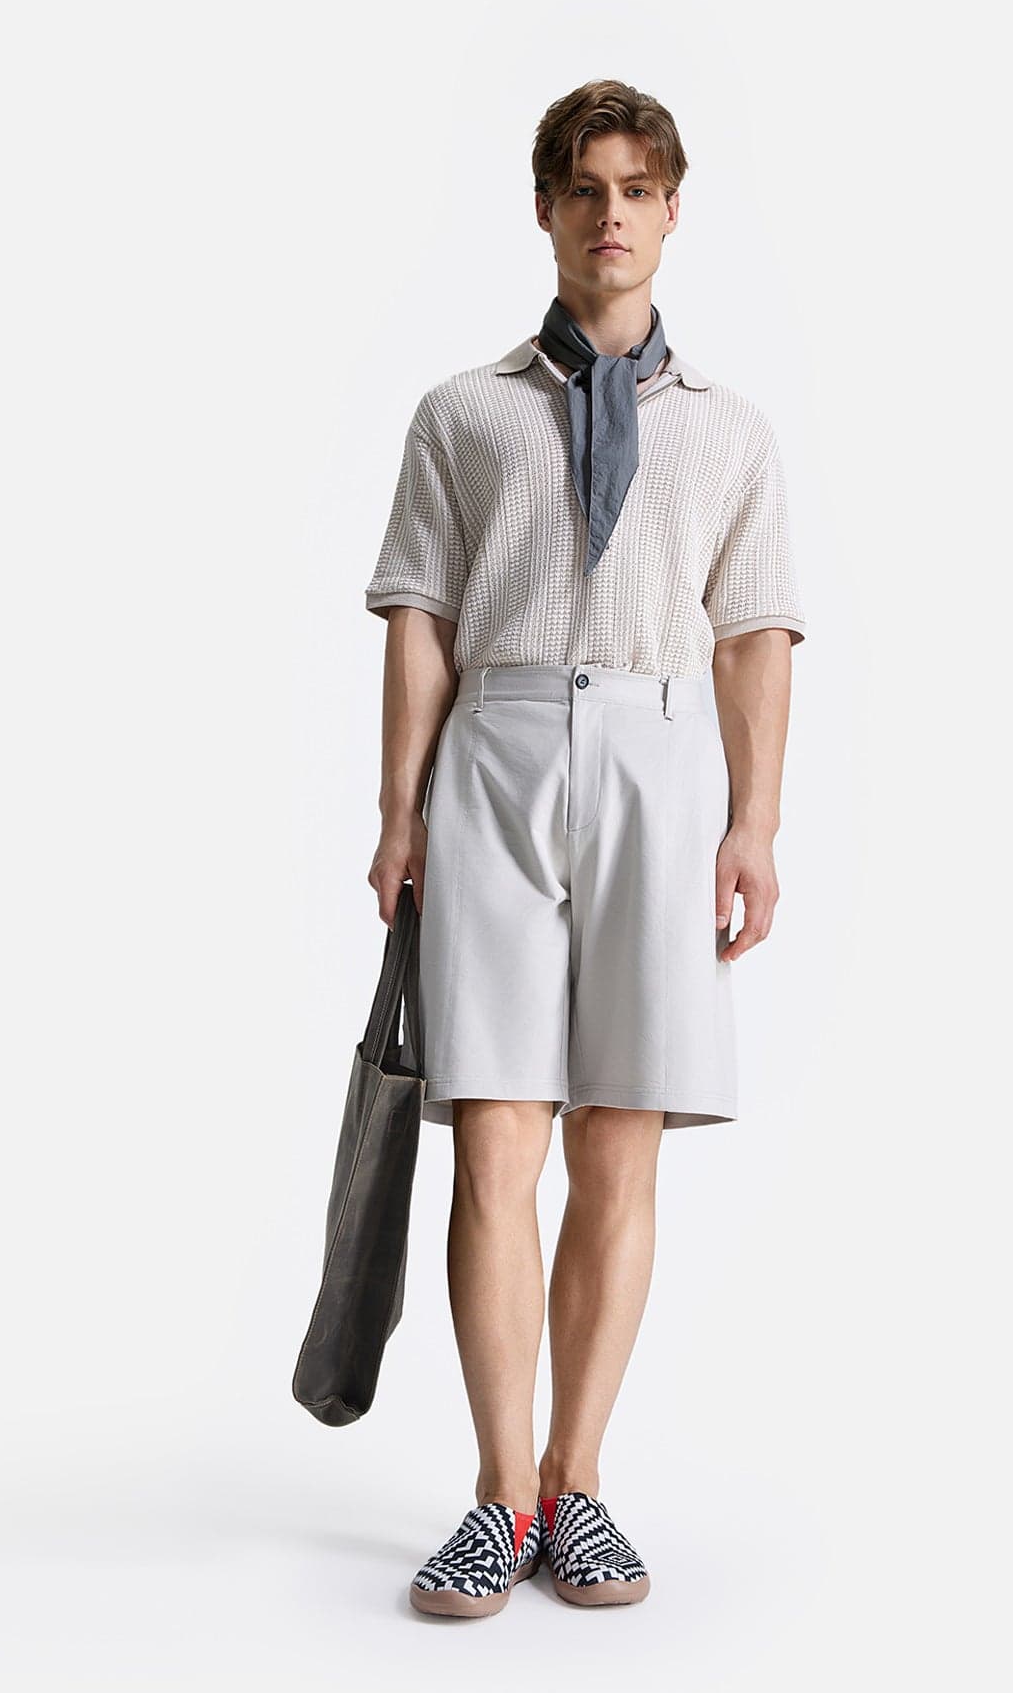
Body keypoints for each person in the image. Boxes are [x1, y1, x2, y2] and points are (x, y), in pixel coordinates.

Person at [363, 79, 806, 1618]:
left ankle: (579, 1480)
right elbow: (420, 617)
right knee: (496, 1135)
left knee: (620, 1140)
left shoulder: (730, 431)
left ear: (672, 211)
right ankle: (498, 1497)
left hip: (660, 761)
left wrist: (754, 823)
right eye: (583, 188)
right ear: (545, 209)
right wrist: (398, 810)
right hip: (495, 753)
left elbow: (753, 636)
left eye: (635, 189)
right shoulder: (463, 413)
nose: (609, 215)